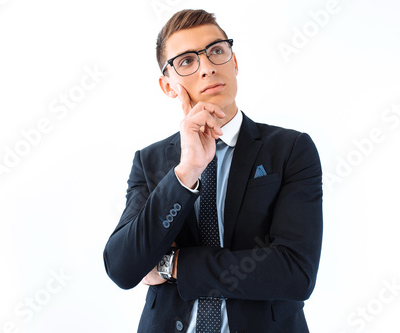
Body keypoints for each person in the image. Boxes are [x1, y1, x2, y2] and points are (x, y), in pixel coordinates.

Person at [103, 9, 323, 333]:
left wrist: (173, 265)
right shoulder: (150, 162)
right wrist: (187, 170)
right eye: (187, 61)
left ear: (234, 63)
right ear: (168, 86)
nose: (207, 67)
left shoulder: (291, 149)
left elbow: (295, 272)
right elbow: (122, 267)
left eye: (216, 51)